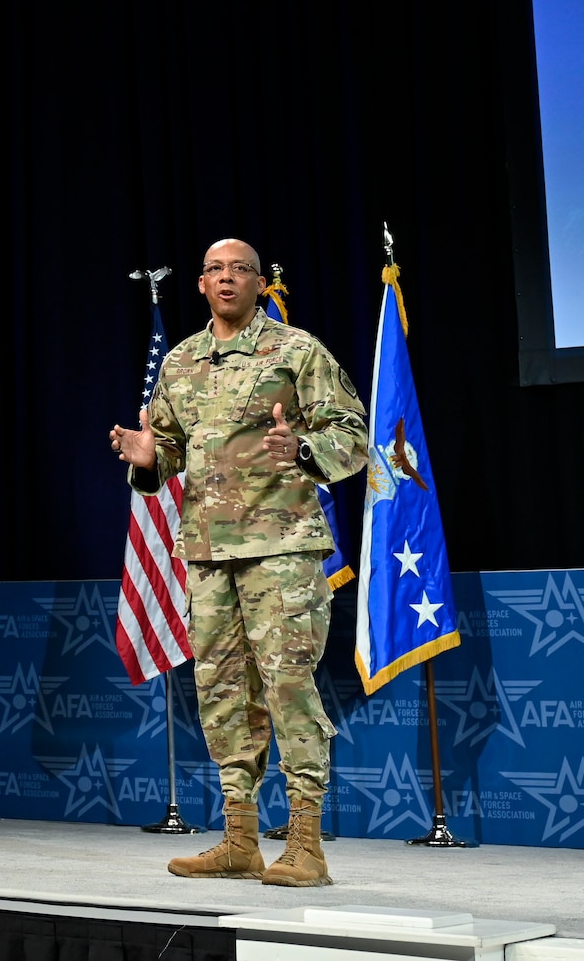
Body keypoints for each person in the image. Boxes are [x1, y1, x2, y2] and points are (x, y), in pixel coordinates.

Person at [109, 238, 369, 888]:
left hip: (281, 550)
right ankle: (240, 839)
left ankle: (305, 842)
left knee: (286, 689)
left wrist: (303, 445)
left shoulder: (296, 349)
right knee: (223, 696)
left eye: (240, 270)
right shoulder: (182, 361)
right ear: (201, 285)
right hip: (206, 553)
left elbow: (354, 435)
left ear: (258, 283)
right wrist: (149, 456)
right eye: (216, 270)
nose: (227, 279)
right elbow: (166, 445)